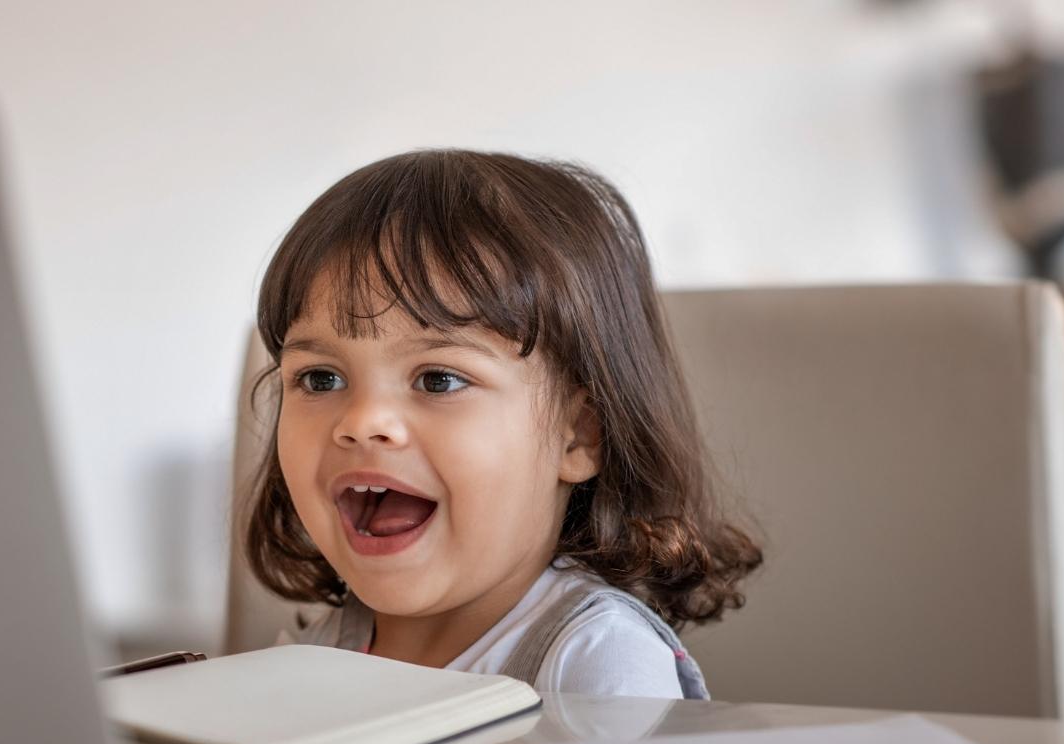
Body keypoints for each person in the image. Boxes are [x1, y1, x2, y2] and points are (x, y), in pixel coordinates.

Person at [244, 150, 761, 698]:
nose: (363, 422)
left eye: (438, 380)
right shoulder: (312, 658)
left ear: (581, 435)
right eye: (321, 379)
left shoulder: (599, 663)